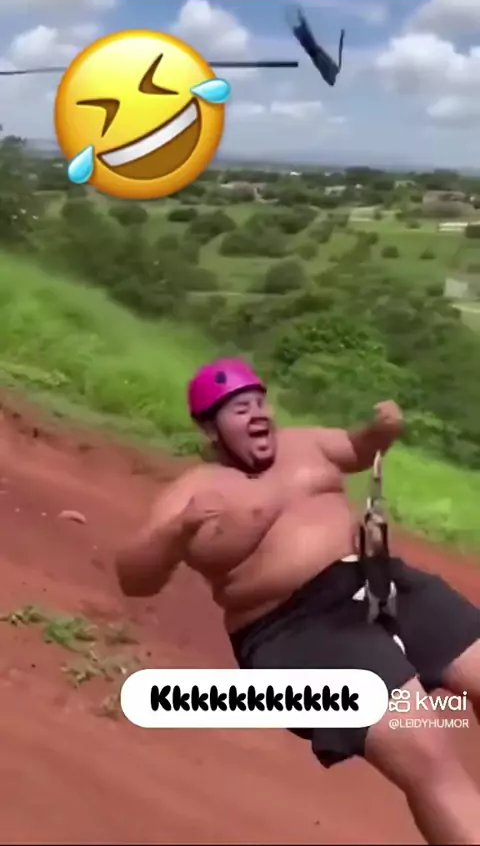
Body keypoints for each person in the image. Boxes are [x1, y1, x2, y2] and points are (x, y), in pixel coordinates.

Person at [116, 357, 480, 845]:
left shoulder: (306, 445)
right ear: (209, 428)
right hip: (294, 629)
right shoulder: (195, 491)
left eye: (259, 402)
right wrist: (178, 531)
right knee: (423, 747)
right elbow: (133, 578)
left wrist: (380, 431)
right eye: (239, 409)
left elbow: (356, 447)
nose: (257, 414)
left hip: (376, 580)